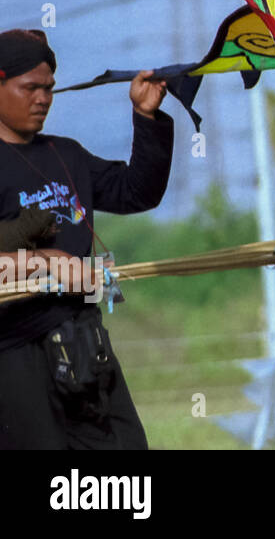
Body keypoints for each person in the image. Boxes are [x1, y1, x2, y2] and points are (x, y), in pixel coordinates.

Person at [0, 29, 172, 449]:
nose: (42, 99)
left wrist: (146, 117)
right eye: (30, 88)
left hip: (83, 340)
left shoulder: (68, 154)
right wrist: (45, 262)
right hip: (16, 354)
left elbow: (137, 192)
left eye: (49, 89)